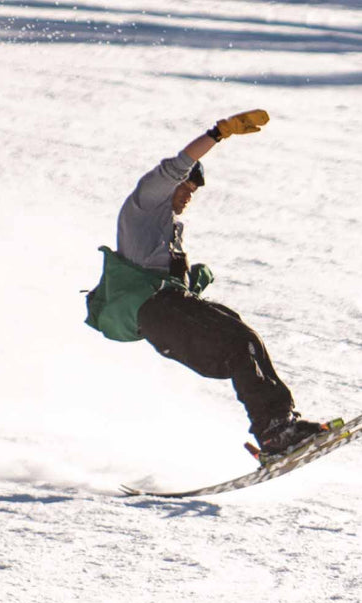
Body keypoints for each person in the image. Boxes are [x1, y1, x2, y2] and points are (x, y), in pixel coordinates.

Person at [84, 110, 326, 457]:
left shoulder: (169, 231)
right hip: (156, 312)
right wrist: (218, 133)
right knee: (238, 345)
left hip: (170, 308)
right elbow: (177, 165)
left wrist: (190, 283)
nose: (189, 197)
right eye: (187, 188)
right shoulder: (145, 204)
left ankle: (281, 423)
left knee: (245, 339)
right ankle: (274, 433)